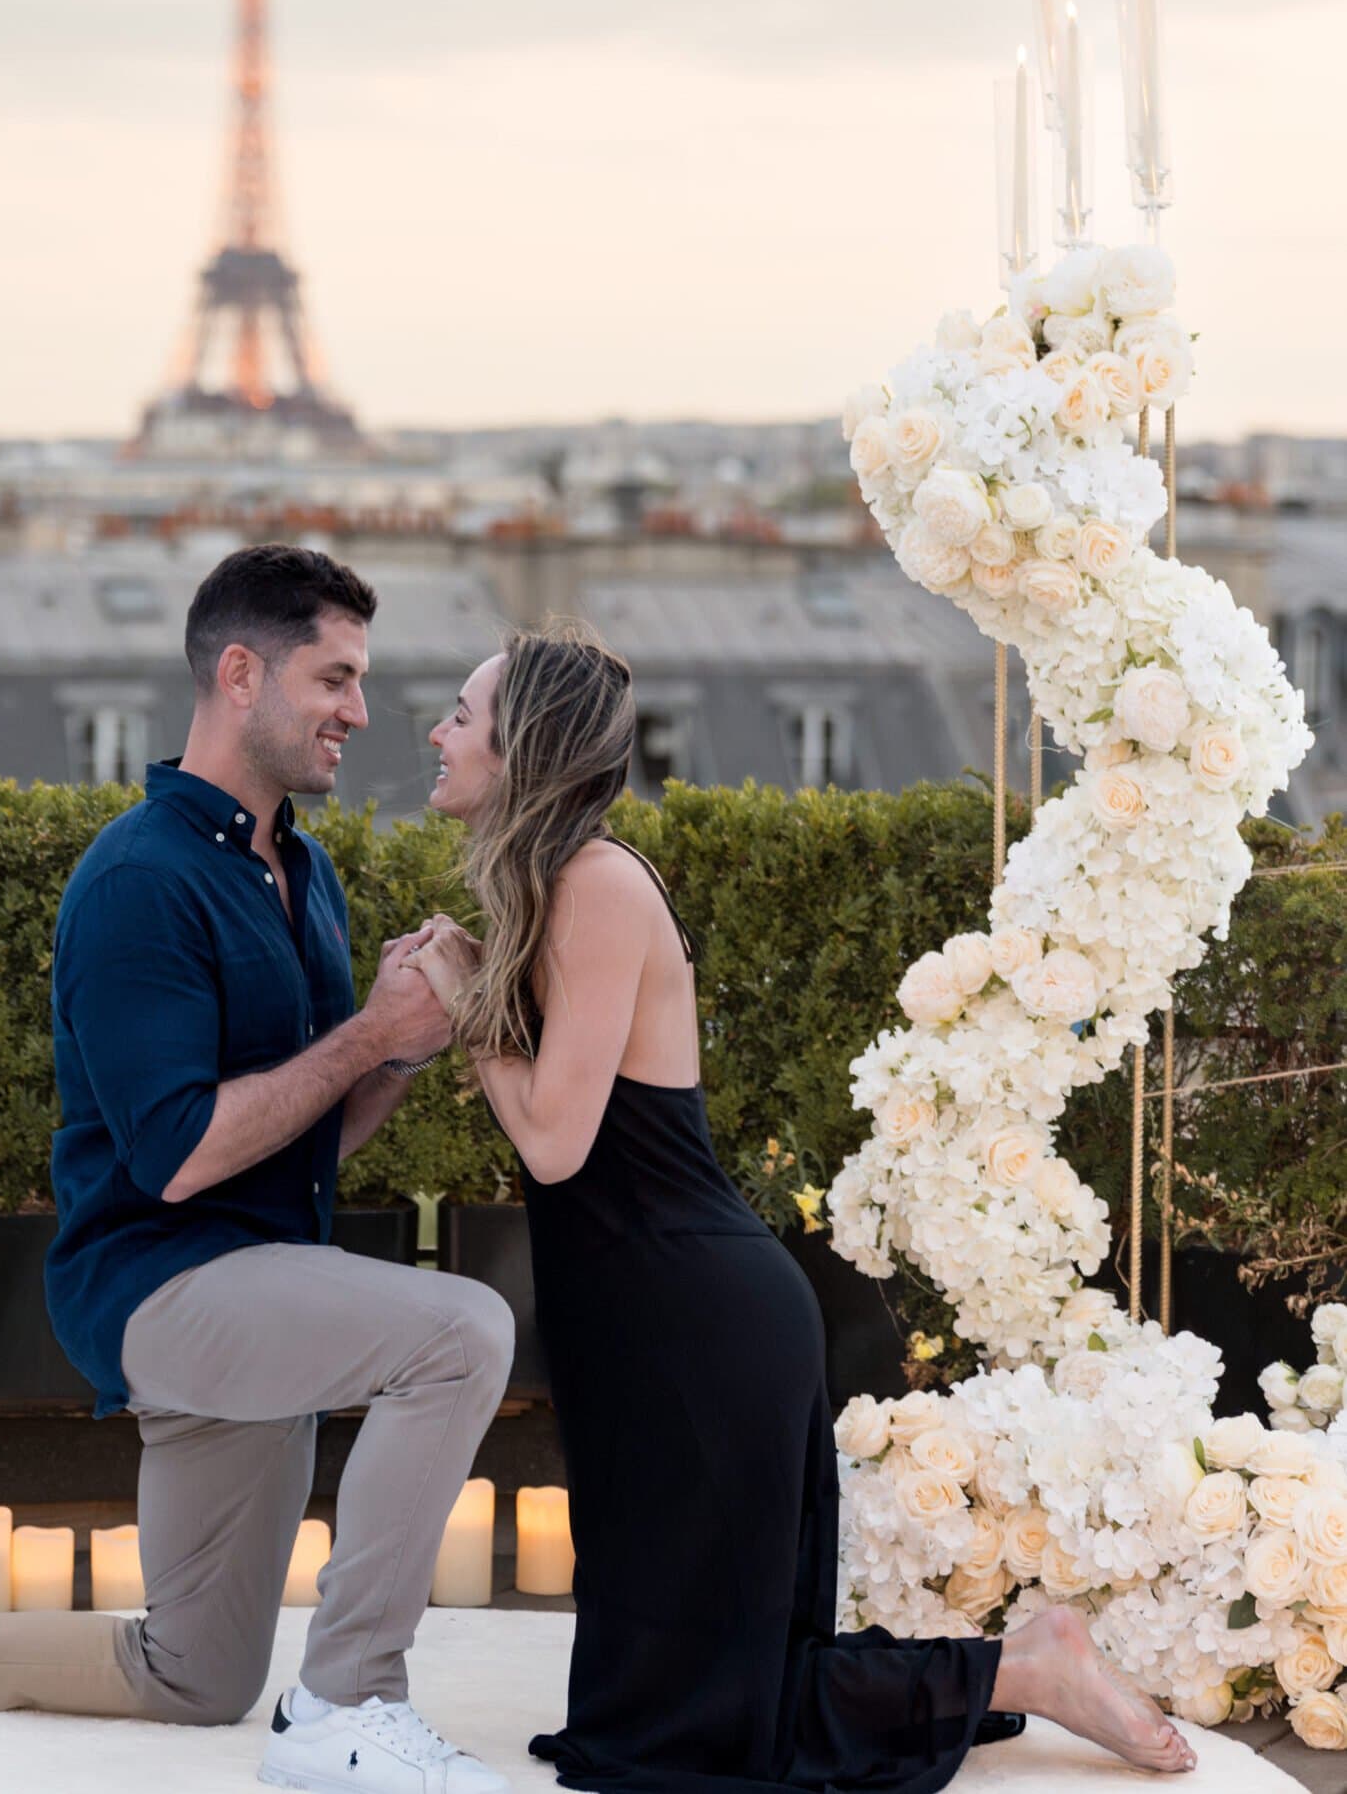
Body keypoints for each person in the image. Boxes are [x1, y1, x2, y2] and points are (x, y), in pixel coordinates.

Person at [0, 545, 515, 1794]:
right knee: (465, 1329)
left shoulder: (305, 873)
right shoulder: (137, 880)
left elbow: (299, 1131)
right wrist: (370, 1033)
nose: (360, 712)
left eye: (363, 681)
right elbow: (175, 1158)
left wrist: (403, 1045)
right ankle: (349, 1699)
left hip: (264, 1286)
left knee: (196, 1674)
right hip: (166, 1288)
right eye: (335, 678)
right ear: (239, 673)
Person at [401, 620, 1198, 1793]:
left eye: (463, 713)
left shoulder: (598, 882)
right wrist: (477, 971)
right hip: (641, 1320)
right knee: (666, 1711)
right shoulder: (558, 888)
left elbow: (558, 1143)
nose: (438, 729)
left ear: (523, 748)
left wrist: (465, 1004)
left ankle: (1027, 1668)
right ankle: (1019, 1661)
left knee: (719, 1725)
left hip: (694, 1322)